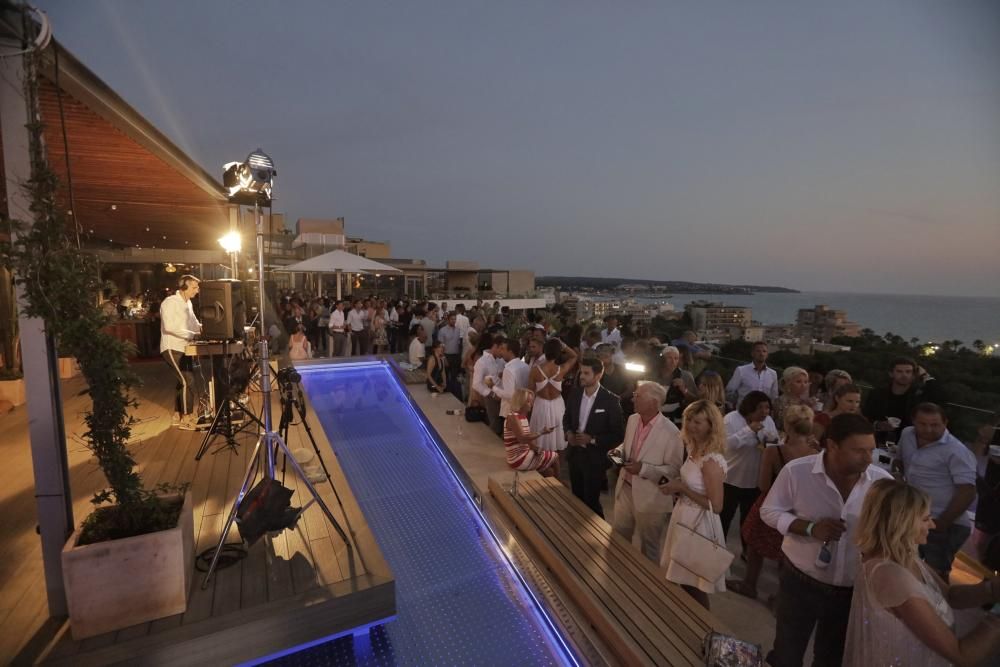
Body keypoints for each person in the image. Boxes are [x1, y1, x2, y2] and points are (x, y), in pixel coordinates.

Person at [760, 413, 892, 667]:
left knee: (831, 659)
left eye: (871, 451)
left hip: (851, 591)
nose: (868, 459)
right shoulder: (797, 472)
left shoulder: (883, 483)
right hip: (800, 581)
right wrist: (809, 528)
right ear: (832, 445)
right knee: (787, 653)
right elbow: (769, 511)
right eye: (858, 451)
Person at [844, 478, 1000, 667]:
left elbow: (951, 596)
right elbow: (961, 655)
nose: (933, 525)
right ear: (901, 523)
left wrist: (991, 590)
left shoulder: (906, 557)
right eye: (925, 519)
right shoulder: (891, 575)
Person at [729, 405, 819, 600]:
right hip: (798, 508)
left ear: (786, 425)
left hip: (772, 503)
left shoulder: (775, 452)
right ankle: (781, 597)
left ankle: (749, 584)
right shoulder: (816, 454)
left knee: (755, 545)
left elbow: (763, 485)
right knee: (787, 553)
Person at [658, 400, 729, 609]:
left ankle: (701, 625)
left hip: (699, 525)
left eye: (698, 422)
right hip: (684, 516)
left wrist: (682, 489)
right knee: (682, 577)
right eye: (689, 420)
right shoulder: (692, 448)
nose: (691, 426)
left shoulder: (710, 461)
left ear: (711, 425)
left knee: (694, 583)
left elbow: (716, 506)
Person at [898, 402, 978, 578]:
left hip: (944, 523)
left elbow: (968, 491)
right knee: (908, 570)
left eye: (935, 425)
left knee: (935, 577)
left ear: (945, 423)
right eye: (922, 424)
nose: (928, 429)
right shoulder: (907, 435)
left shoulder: (956, 451)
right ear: (913, 421)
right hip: (912, 517)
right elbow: (901, 462)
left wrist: (942, 523)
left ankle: (939, 606)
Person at [609, 381, 684, 562]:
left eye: (638, 396)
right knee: (618, 539)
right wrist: (618, 451)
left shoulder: (672, 432)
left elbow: (673, 471)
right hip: (625, 489)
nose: (633, 398)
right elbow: (628, 446)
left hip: (651, 497)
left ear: (654, 403)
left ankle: (646, 586)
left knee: (649, 549)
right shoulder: (633, 419)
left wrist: (643, 469)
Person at [563, 358, 625, 518]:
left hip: (595, 458)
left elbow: (618, 434)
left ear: (598, 375)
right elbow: (567, 418)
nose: (581, 376)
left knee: (591, 502)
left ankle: (597, 534)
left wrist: (592, 439)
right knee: (576, 498)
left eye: (586, 373)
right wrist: (569, 433)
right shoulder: (575, 394)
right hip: (575, 454)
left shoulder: (611, 400)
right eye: (581, 372)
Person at [720, 391, 779, 542]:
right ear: (750, 407)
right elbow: (725, 445)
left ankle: (747, 551)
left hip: (754, 481)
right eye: (760, 407)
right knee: (724, 518)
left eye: (767, 408)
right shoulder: (731, 419)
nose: (765, 412)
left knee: (748, 521)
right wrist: (748, 430)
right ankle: (717, 549)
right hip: (730, 479)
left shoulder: (769, 421)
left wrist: (771, 442)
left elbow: (774, 445)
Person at [863, 356, 943, 445]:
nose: (904, 375)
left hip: (910, 443)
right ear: (891, 373)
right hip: (877, 441)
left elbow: (940, 397)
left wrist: (924, 376)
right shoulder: (877, 393)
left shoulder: (918, 396)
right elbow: (865, 417)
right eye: (899, 371)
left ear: (913, 375)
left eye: (908, 372)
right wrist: (878, 425)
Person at [160, 274, 203, 429]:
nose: (197, 290)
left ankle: (177, 415)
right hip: (172, 347)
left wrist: (203, 328)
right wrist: (192, 334)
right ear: (184, 286)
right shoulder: (170, 302)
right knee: (187, 381)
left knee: (182, 381)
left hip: (184, 347)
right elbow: (169, 327)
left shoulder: (188, 303)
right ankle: (186, 417)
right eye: (194, 287)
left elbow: (194, 323)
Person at [529, 338, 578, 454]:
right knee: (557, 434)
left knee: (539, 435)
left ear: (545, 351)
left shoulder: (535, 370)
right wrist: (563, 344)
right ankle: (555, 461)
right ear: (558, 353)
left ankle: (540, 460)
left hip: (540, 404)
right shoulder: (561, 369)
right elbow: (574, 356)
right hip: (557, 405)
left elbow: (530, 392)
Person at [502, 390, 560, 477]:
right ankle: (559, 481)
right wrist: (541, 432)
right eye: (528, 402)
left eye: (531, 401)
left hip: (523, 454)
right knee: (555, 456)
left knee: (549, 471)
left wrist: (536, 448)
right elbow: (522, 438)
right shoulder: (513, 417)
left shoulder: (523, 417)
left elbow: (527, 440)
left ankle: (551, 484)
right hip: (518, 459)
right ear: (520, 402)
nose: (531, 404)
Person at [725, 341, 779, 407]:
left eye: (764, 351)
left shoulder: (773, 374)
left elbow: (774, 396)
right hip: (744, 413)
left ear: (767, 355)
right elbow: (730, 391)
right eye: (758, 351)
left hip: (763, 414)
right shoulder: (741, 370)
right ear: (752, 353)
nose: (761, 354)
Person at [472, 334, 506, 435]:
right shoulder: (482, 362)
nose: (503, 352)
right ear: (495, 346)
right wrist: (491, 394)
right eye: (501, 349)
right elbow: (476, 384)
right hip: (491, 397)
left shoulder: (501, 360)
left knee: (502, 424)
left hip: (503, 395)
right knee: (494, 424)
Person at [656, 346, 697, 426]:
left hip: (677, 418)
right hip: (656, 417)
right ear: (662, 359)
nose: (673, 361)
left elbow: (695, 400)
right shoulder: (653, 375)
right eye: (669, 358)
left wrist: (684, 389)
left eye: (676, 358)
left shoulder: (686, 376)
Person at [494, 338, 530, 425]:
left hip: (510, 411)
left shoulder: (509, 369)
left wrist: (493, 387)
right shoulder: (525, 366)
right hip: (522, 410)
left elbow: (509, 395)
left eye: (503, 349)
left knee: (508, 438)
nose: (501, 352)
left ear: (510, 352)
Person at [772, 366, 812, 431]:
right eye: (798, 382)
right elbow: (782, 424)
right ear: (788, 383)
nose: (803, 385)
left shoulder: (805, 402)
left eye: (805, 382)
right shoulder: (780, 401)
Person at [438, 312, 463, 378]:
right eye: (452, 319)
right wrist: (444, 358)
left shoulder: (458, 330)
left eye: (455, 319)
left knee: (454, 376)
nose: (454, 321)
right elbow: (440, 346)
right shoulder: (442, 330)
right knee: (445, 375)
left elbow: (459, 343)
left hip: (456, 356)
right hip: (446, 355)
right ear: (448, 320)